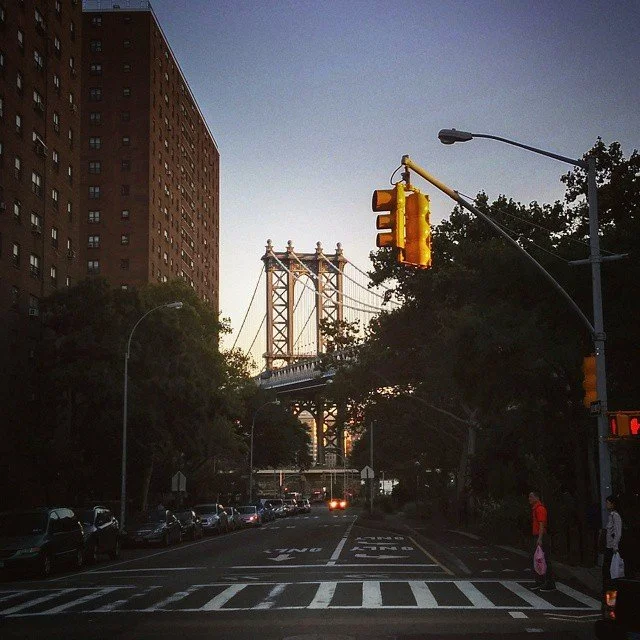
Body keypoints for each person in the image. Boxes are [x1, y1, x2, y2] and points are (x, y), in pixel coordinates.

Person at [529, 490, 555, 591]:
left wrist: (540, 538)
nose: (529, 499)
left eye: (531, 497)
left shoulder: (540, 509)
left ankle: (549, 583)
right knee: (538, 559)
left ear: (537, 498)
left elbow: (541, 524)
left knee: (545, 559)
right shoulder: (536, 509)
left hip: (541, 536)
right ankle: (540, 581)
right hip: (538, 536)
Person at [603, 495, 623, 589]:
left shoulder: (615, 516)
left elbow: (618, 532)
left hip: (612, 548)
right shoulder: (611, 515)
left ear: (612, 504)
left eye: (608, 503)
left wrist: (615, 546)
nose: (606, 505)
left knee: (610, 570)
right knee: (607, 570)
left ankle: (611, 589)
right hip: (609, 546)